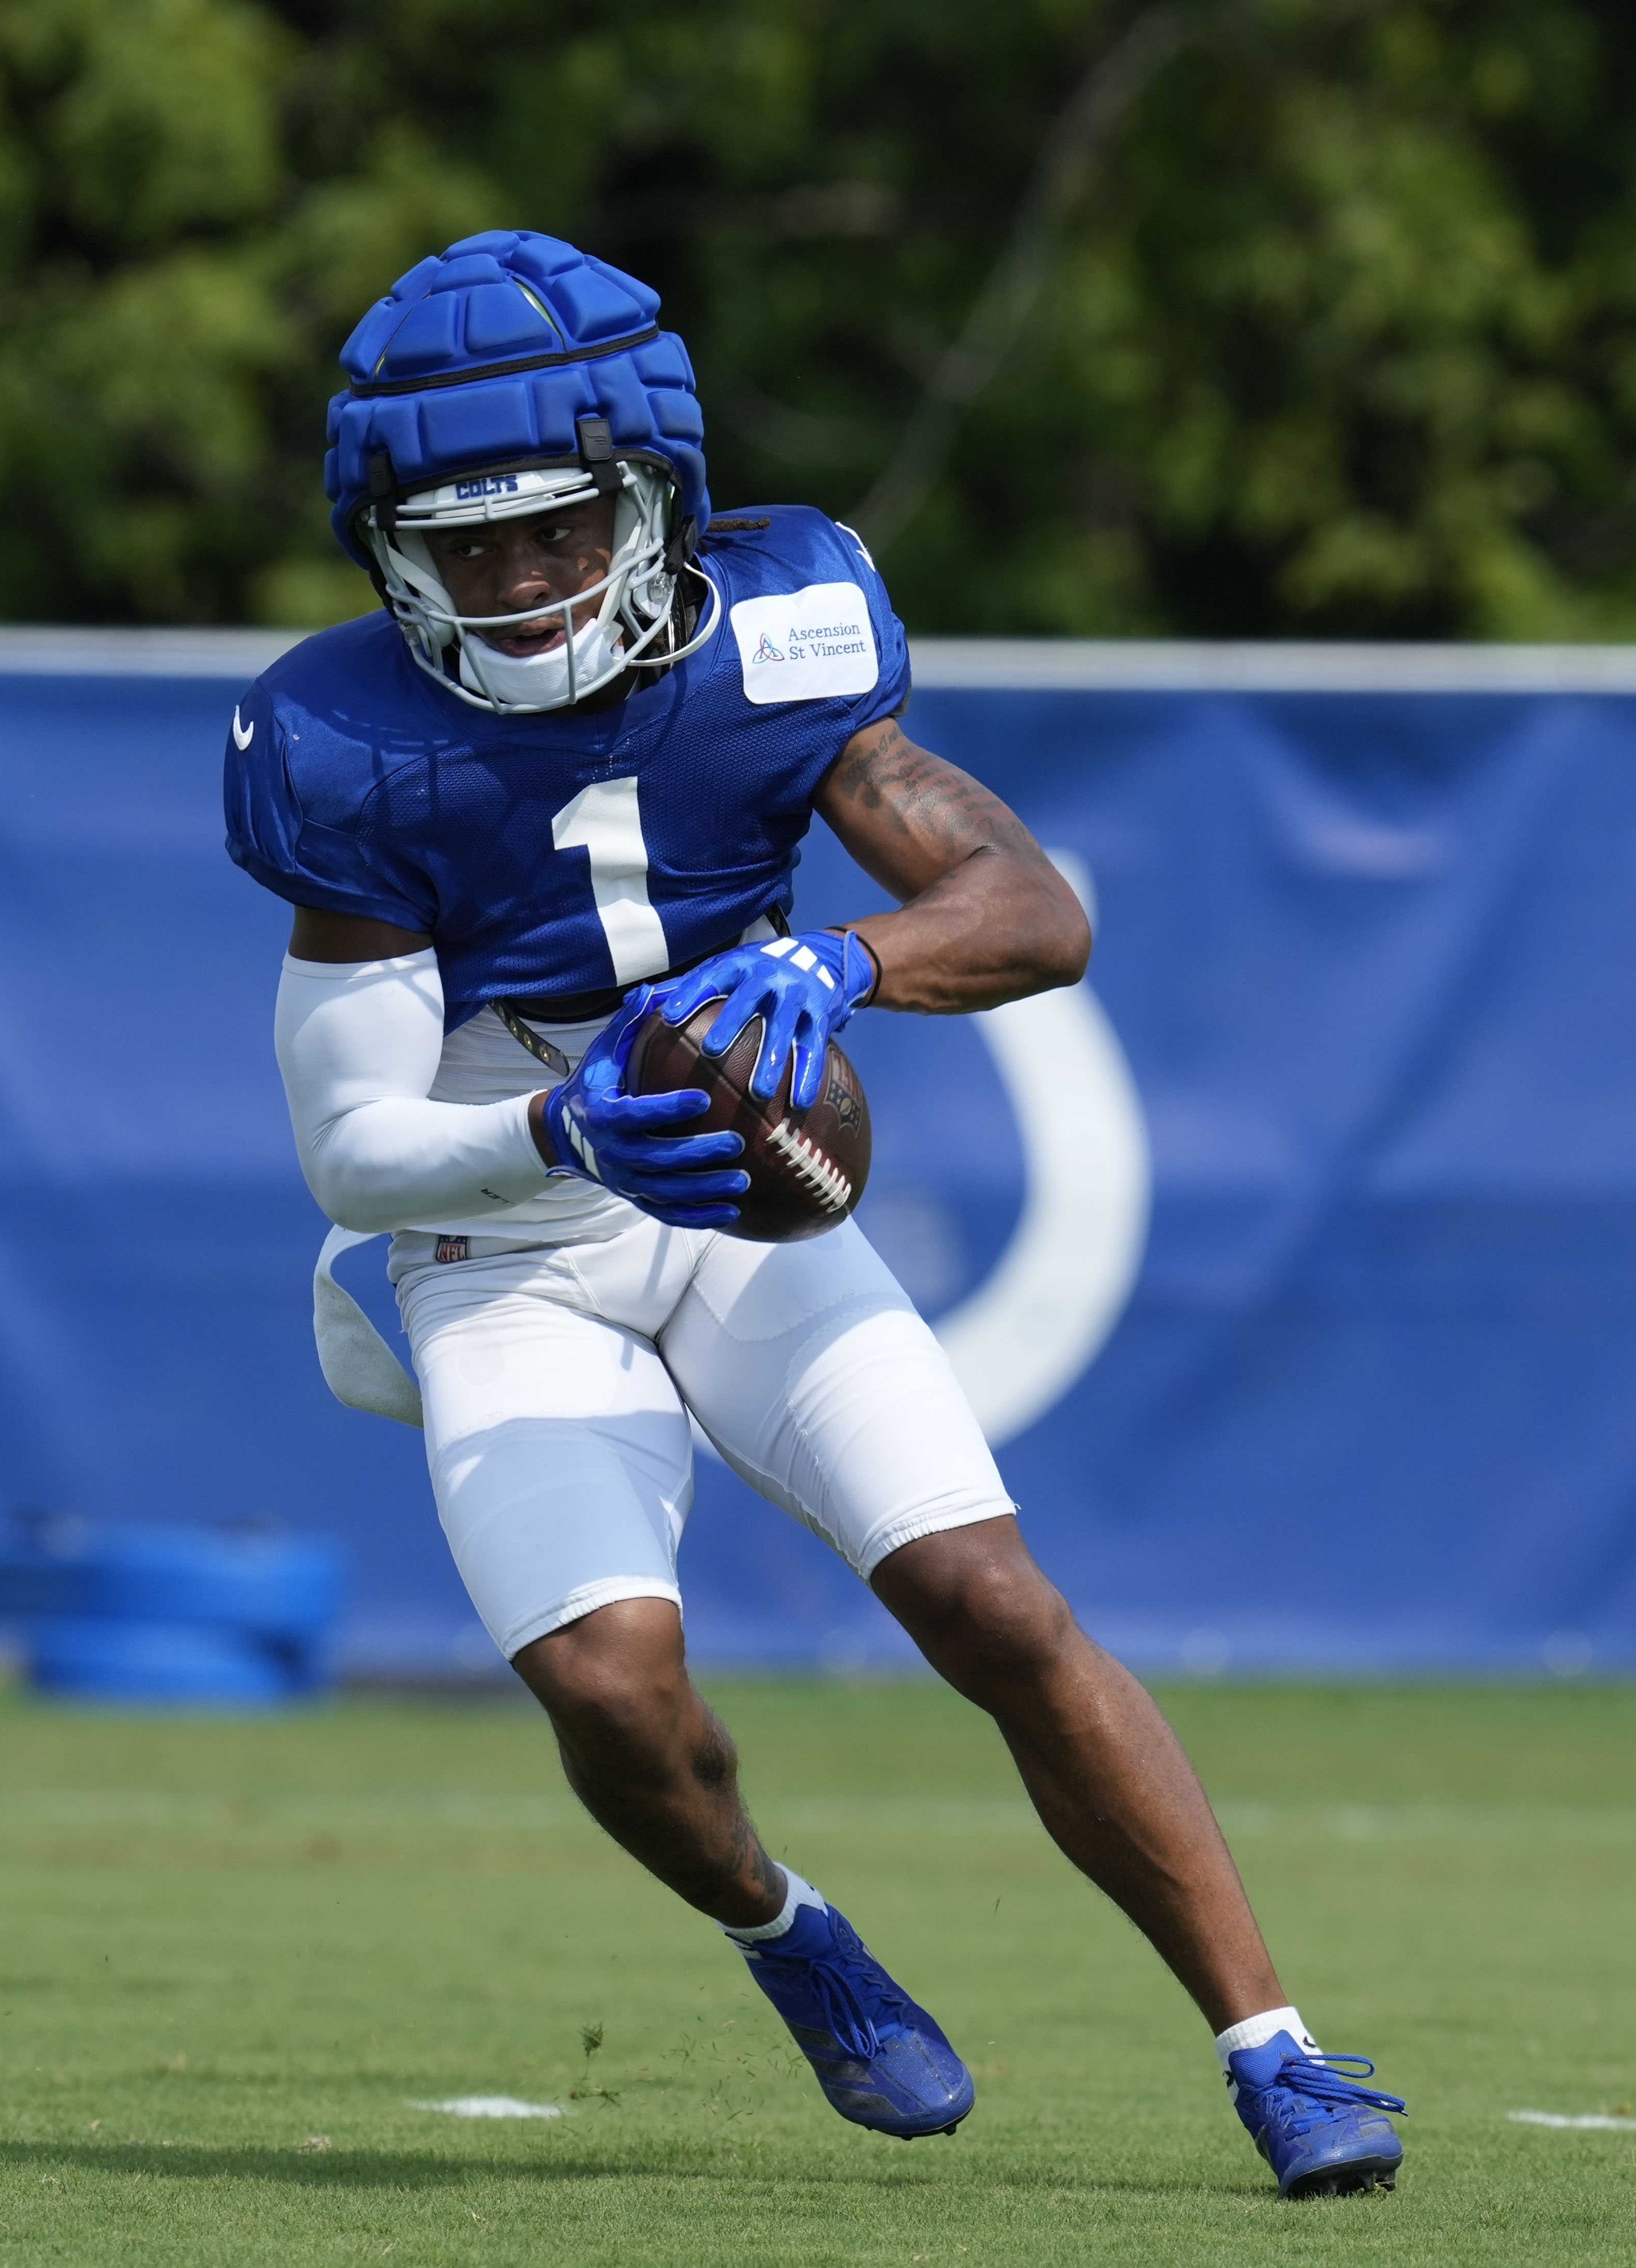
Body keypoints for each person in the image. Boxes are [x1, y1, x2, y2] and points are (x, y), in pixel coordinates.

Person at [223, 230, 1406, 2197]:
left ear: (654, 499)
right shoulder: (343, 739)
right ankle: (789, 1932)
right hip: (504, 1226)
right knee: (609, 1682)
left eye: (557, 528)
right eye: (466, 543)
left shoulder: (783, 630)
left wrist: (837, 962)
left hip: (740, 1207)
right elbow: (350, 1143)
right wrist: (565, 1127)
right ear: (389, 547)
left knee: (990, 1601)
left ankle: (1273, 2050)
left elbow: (1032, 913)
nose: (519, 580)